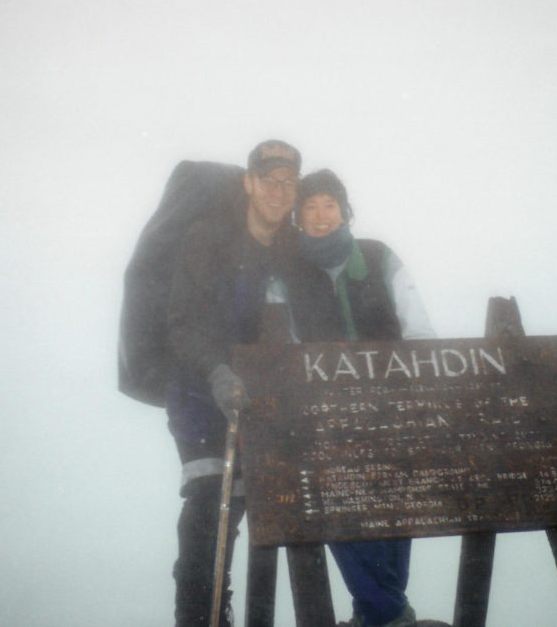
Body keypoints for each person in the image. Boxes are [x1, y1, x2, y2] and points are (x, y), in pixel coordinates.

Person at [283, 169, 434, 627]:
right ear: (298, 216)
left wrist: (424, 387)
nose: (320, 215)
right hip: (325, 415)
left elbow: (417, 325)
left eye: (329, 205)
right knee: (338, 507)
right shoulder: (286, 272)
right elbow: (281, 342)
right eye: (309, 207)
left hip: (392, 407)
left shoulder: (377, 256)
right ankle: (388, 613)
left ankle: (375, 611)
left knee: (393, 509)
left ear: (345, 211)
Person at [165, 139, 301, 626]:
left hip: (263, 398)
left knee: (262, 505)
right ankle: (201, 617)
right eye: (269, 180)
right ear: (249, 182)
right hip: (200, 394)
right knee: (209, 505)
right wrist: (218, 371)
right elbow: (183, 321)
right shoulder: (209, 238)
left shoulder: (291, 249)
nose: (279, 191)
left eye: (288, 182)